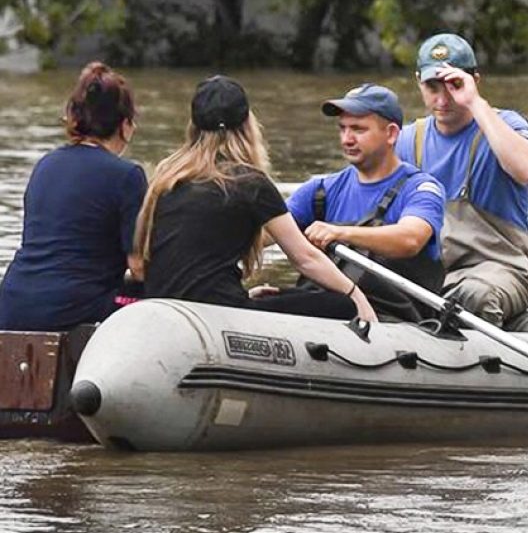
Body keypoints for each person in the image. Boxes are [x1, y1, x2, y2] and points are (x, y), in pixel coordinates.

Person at [135, 75, 376, 322]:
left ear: (193, 126)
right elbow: (305, 259)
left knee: (273, 296)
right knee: (340, 305)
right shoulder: (249, 182)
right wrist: (356, 296)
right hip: (218, 312)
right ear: (247, 125)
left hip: (164, 306)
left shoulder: (167, 176)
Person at [395, 33, 528, 327]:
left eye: (454, 85)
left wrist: (475, 103)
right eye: (432, 87)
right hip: (430, 276)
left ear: (475, 80)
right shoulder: (406, 140)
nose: (442, 99)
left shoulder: (505, 125)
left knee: (474, 296)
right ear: (418, 82)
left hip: (500, 270)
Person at [0, 62, 146, 331]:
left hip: (12, 301)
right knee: (155, 300)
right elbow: (138, 266)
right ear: (125, 125)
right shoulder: (128, 176)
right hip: (72, 309)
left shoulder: (45, 165)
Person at [288, 83, 446, 322]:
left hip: (395, 320)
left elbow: (410, 239)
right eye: (342, 129)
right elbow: (267, 231)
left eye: (358, 130)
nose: (347, 139)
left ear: (391, 134)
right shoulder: (320, 190)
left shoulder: (421, 188)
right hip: (327, 309)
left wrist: (340, 233)